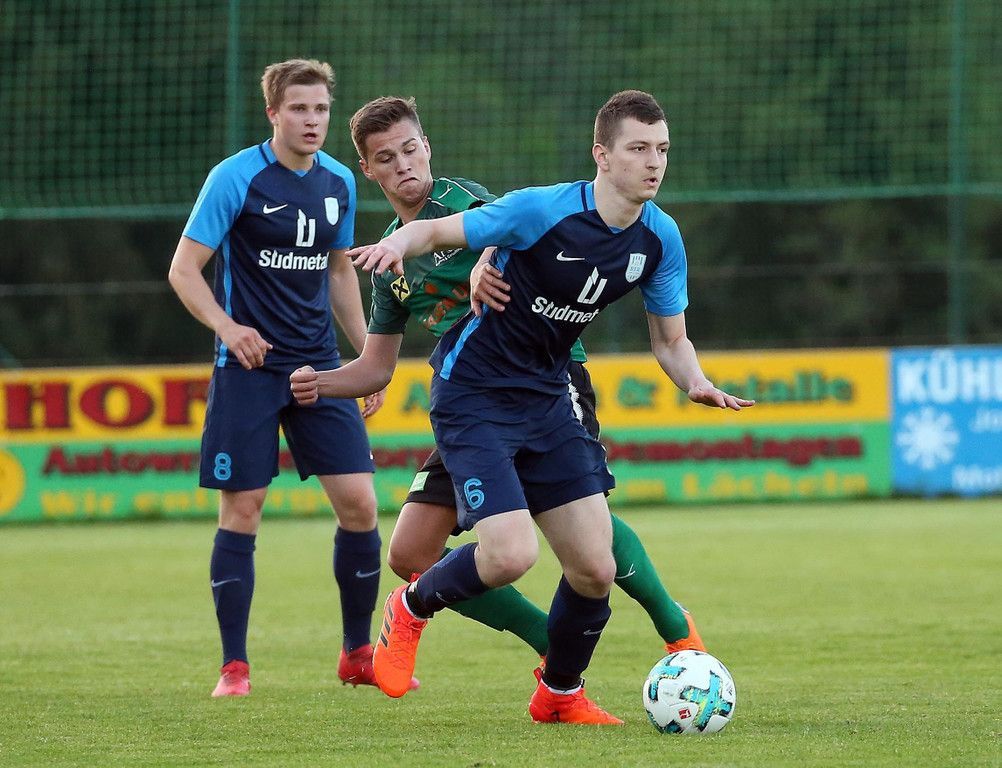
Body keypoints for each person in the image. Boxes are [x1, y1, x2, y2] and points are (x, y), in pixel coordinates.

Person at [293, 90, 754, 723]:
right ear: (602, 155)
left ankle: (560, 692)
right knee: (504, 554)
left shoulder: (659, 236)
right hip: (474, 392)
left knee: (593, 566)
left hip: (550, 388)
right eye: (639, 148)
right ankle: (412, 608)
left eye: (662, 149)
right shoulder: (537, 211)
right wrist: (396, 260)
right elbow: (431, 243)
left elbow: (670, 339)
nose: (654, 162)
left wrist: (694, 381)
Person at [167, 58, 416, 697]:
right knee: (243, 509)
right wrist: (229, 328)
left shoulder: (338, 180)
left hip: (318, 368)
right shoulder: (235, 177)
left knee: (361, 505)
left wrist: (366, 358)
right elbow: (184, 270)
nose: (312, 120)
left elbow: (339, 271)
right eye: (299, 108)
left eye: (321, 109)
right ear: (273, 113)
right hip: (248, 369)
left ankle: (357, 653)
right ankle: (234, 667)